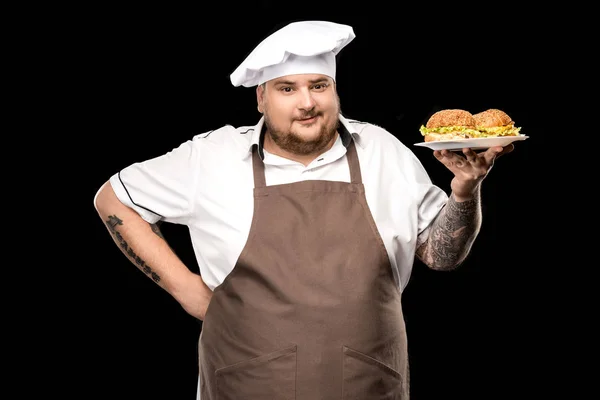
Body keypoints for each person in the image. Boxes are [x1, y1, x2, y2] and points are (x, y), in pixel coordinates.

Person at [94, 20, 514, 400]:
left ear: (335, 90)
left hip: (369, 384)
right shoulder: (212, 156)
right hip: (245, 385)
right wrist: (186, 289)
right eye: (287, 88)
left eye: (318, 85)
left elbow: (441, 257)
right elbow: (114, 198)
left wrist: (464, 191)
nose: (306, 103)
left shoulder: (382, 150)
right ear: (261, 97)